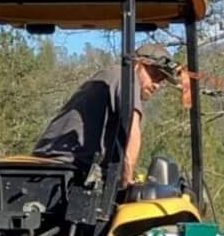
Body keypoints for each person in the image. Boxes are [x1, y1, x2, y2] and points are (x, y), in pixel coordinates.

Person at [33, 40, 180, 186]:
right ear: (137, 64)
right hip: (64, 167)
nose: (156, 84)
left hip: (54, 165)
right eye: (154, 75)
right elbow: (132, 130)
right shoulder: (125, 77)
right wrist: (127, 181)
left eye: (161, 80)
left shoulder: (109, 76)